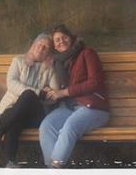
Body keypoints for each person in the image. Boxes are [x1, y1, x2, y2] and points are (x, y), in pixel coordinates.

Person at [0, 33, 57, 167]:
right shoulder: (19, 61)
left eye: (46, 48)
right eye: (39, 45)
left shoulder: (50, 69)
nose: (41, 49)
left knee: (28, 95)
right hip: (11, 110)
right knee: (16, 118)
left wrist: (43, 94)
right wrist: (40, 92)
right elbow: (11, 83)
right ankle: (10, 162)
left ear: (48, 53)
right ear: (33, 46)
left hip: (35, 116)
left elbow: (54, 95)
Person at [39, 24, 109, 167]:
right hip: (69, 107)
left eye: (64, 37)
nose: (61, 41)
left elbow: (95, 82)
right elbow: (55, 86)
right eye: (57, 40)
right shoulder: (58, 62)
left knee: (69, 127)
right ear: (55, 47)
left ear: (71, 38)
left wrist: (64, 92)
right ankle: (51, 168)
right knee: (46, 126)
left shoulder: (87, 53)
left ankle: (54, 170)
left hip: (93, 107)